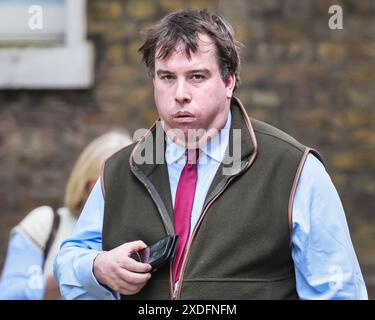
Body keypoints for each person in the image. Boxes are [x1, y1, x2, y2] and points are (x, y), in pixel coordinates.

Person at [54, 9, 367, 300]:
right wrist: (96, 267)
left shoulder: (294, 169)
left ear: (229, 82)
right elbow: (69, 261)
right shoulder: (118, 170)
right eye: (167, 77)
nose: (180, 94)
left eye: (196, 77)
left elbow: (339, 290)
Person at [0, 131, 132, 299]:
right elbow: (8, 294)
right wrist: (77, 271)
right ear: (87, 183)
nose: (116, 192)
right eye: (105, 182)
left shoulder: (136, 235)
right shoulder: (46, 223)